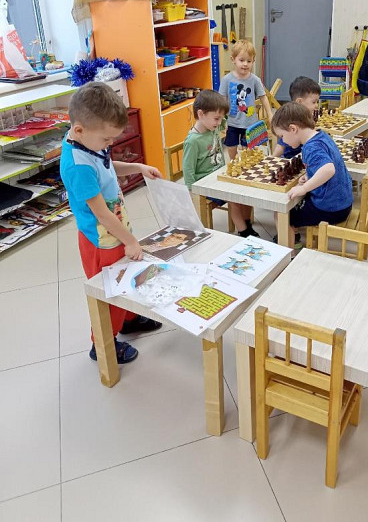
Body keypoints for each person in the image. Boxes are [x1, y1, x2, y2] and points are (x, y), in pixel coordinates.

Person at [60, 82, 163, 364]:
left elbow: (106, 164)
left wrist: (138, 167)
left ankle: (128, 320)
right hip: (102, 240)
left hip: (115, 231)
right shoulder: (77, 166)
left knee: (125, 278)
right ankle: (103, 343)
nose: (110, 145)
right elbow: (102, 214)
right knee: (111, 289)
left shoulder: (88, 142)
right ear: (79, 130)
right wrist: (130, 241)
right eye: (107, 139)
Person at [271, 102, 353, 248]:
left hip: (330, 208)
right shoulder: (322, 135)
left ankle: (289, 255)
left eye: (282, 136)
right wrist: (311, 175)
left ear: (293, 129)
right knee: (294, 205)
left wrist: (304, 188)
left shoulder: (310, 147)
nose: (283, 141)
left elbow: (328, 169)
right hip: (343, 202)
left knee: (281, 214)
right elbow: (325, 164)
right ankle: (293, 236)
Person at [183, 89, 259, 237]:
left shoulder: (212, 126)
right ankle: (244, 231)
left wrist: (224, 111)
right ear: (200, 114)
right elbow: (188, 169)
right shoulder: (192, 141)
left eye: (220, 119)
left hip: (219, 175)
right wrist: (192, 192)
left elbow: (224, 119)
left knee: (246, 188)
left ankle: (246, 221)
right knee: (233, 197)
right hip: (204, 184)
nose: (220, 123)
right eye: (216, 119)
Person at [219, 39, 273, 160]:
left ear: (253, 61)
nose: (245, 64)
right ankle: (234, 163)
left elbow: (263, 97)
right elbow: (222, 100)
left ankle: (246, 165)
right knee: (231, 146)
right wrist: (222, 119)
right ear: (233, 59)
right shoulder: (226, 80)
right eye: (241, 60)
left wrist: (270, 114)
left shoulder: (255, 80)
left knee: (248, 149)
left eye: (249, 61)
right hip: (232, 122)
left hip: (249, 123)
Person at [273, 76, 321, 159]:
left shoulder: (308, 116)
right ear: (299, 102)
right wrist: (272, 159)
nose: (316, 105)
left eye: (317, 102)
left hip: (305, 156)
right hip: (291, 158)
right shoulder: (290, 119)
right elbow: (281, 145)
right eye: (314, 102)